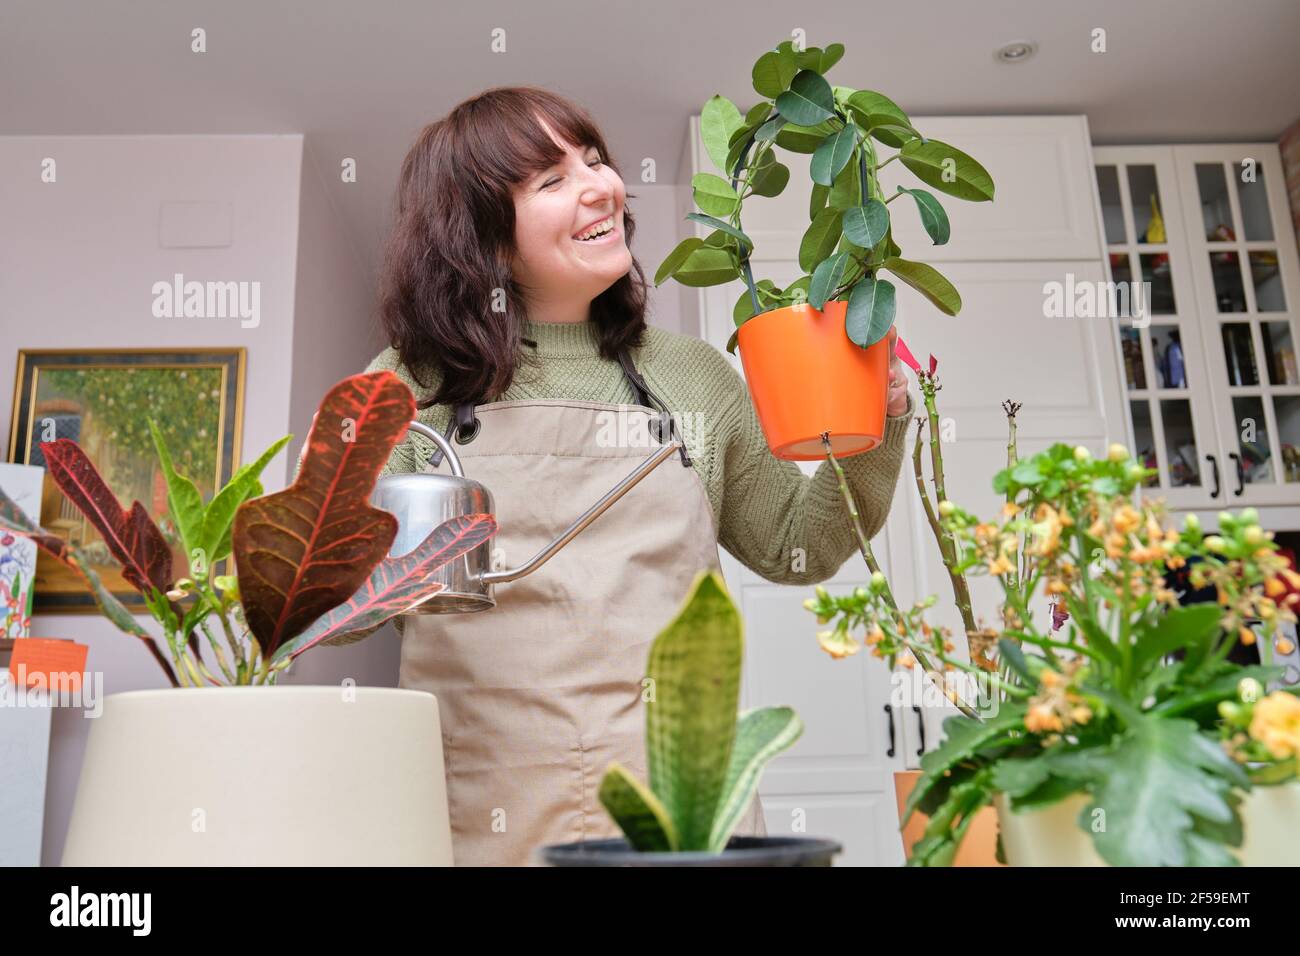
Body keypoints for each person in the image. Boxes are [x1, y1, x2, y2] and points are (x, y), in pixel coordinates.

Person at [322, 86, 914, 866]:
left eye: (594, 160)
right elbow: (330, 596)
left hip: (680, 811)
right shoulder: (408, 389)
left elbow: (794, 544)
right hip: (482, 807)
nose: (601, 184)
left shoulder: (692, 376)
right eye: (551, 180)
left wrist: (878, 422)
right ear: (486, 241)